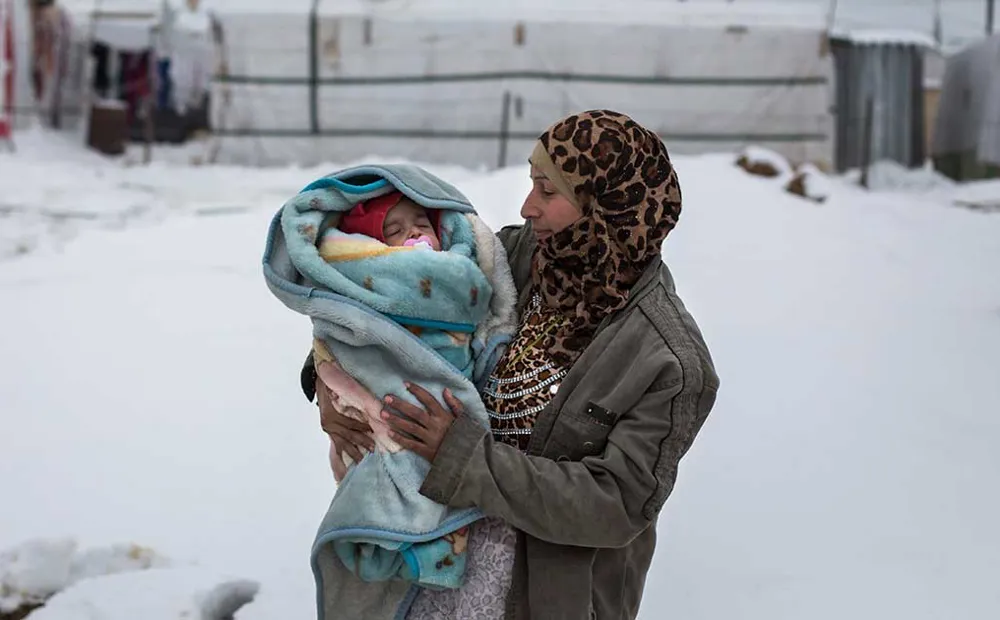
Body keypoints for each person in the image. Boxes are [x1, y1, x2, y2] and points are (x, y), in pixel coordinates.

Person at [306, 110, 720, 619]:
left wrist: (462, 458)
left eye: (548, 191)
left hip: (543, 597)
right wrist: (328, 381)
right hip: (427, 573)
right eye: (531, 182)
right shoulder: (511, 258)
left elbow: (614, 505)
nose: (527, 207)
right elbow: (393, 301)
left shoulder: (666, 360)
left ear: (605, 206)